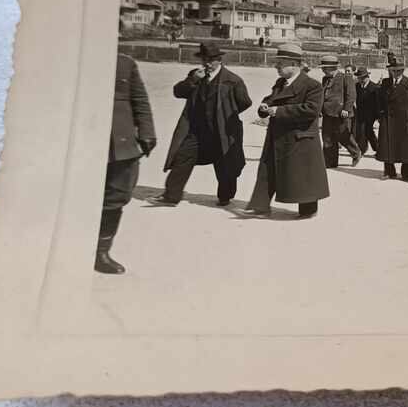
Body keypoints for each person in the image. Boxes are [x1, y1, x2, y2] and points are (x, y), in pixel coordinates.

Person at [153, 43, 252, 207]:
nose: (206, 64)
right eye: (204, 59)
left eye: (210, 60)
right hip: (195, 131)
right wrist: (193, 80)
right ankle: (171, 196)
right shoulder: (196, 76)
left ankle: (225, 196)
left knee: (225, 165)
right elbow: (178, 92)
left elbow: (244, 102)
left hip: (222, 131)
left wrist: (225, 114)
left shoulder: (233, 80)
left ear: (219, 60)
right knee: (182, 158)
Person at [245, 44, 330, 218]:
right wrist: (265, 106)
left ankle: (308, 209)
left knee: (303, 175)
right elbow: (272, 99)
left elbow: (311, 110)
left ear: (293, 64)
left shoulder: (312, 86)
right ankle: (260, 206)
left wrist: (279, 111)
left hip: (300, 137)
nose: (276, 66)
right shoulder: (280, 83)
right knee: (267, 170)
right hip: (277, 134)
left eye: (280, 63)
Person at [97, 53, 157, 275]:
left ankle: (101, 252)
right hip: (86, 137)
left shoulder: (125, 62)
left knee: (118, 195)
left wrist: (147, 132)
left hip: (121, 142)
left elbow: (140, 99)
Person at [376, 52, 408, 180]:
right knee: (387, 145)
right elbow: (379, 100)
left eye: (397, 70)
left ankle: (407, 174)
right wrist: (380, 116)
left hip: (405, 121)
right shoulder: (385, 83)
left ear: (402, 70)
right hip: (388, 120)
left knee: (407, 148)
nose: (394, 73)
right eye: (392, 70)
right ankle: (389, 171)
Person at [318, 54, 361, 168]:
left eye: (324, 68)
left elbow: (351, 94)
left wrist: (346, 109)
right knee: (327, 137)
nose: (323, 70)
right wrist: (319, 109)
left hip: (340, 112)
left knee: (343, 135)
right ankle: (330, 162)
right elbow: (323, 94)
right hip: (327, 112)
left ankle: (356, 153)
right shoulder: (325, 79)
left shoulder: (345, 77)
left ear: (332, 68)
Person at [354, 67, 379, 154]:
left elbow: (377, 104)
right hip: (360, 113)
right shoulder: (357, 86)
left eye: (362, 78)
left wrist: (377, 118)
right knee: (362, 131)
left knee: (367, 131)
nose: (360, 79)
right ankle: (363, 149)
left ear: (367, 77)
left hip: (371, 114)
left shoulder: (374, 87)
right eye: (359, 78)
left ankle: (377, 148)